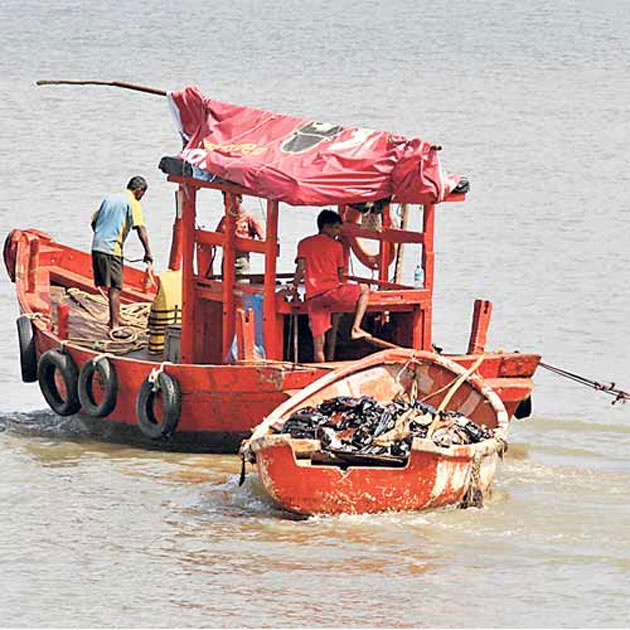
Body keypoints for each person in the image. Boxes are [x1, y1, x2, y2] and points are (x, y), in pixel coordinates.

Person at [289, 209, 370, 362]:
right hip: (332, 293)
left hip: (314, 298)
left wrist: (294, 287)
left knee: (318, 345)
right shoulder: (337, 246)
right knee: (364, 289)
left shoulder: (304, 243)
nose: (338, 232)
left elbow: (301, 269)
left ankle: (319, 372)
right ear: (326, 227)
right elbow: (341, 274)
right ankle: (356, 328)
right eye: (336, 228)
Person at [91, 176, 153, 330]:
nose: (141, 198)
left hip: (97, 246)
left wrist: (102, 236)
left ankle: (115, 318)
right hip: (112, 249)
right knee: (115, 287)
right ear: (138, 190)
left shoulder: (110, 198)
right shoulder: (132, 202)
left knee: (111, 286)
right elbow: (140, 228)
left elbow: (94, 221)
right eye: (142, 195)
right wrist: (148, 252)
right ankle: (114, 325)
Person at [215, 193, 265, 281]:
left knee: (241, 284)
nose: (228, 203)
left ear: (240, 199)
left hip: (241, 259)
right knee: (225, 284)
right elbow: (215, 237)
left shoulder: (249, 217)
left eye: (231, 200)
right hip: (226, 259)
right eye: (225, 201)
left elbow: (263, 238)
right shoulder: (225, 219)